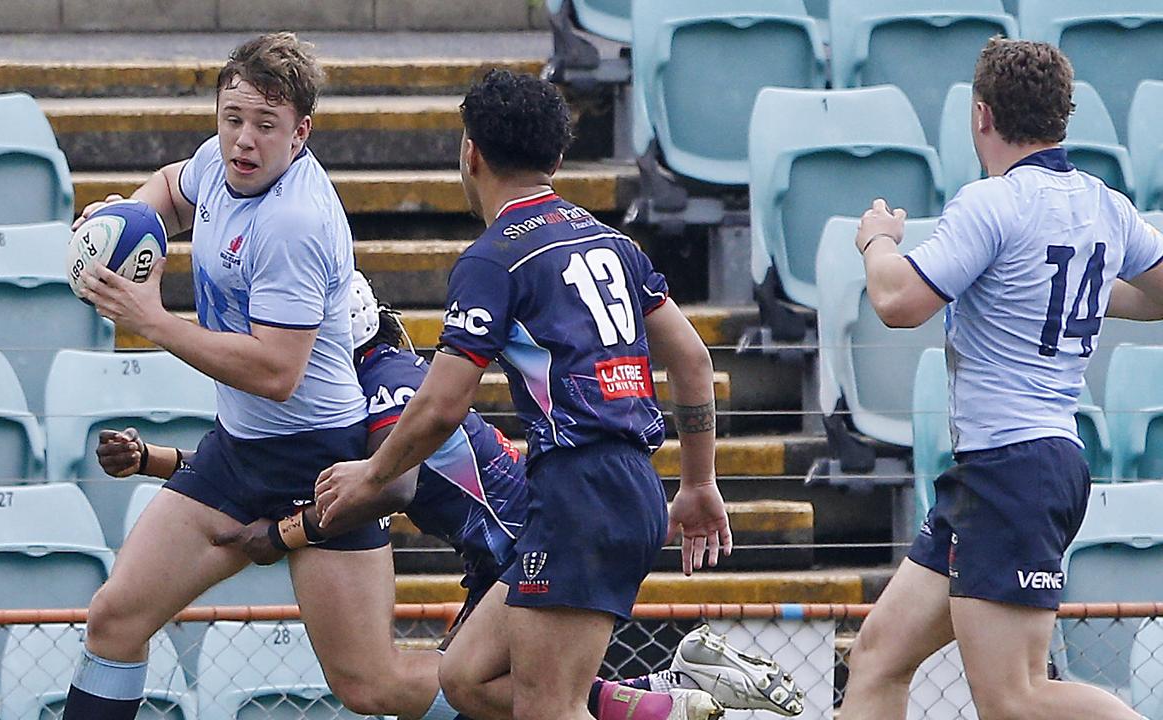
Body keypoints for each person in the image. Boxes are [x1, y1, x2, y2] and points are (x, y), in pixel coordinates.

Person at [106, 271, 806, 719]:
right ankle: (663, 689)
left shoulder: (378, 388)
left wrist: (286, 535)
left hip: (518, 548)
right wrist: (157, 461)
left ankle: (662, 693)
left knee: (480, 695)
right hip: (509, 546)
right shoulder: (376, 378)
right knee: (478, 695)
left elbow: (392, 483)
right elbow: (277, 470)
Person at [314, 69, 745, 720]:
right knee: (466, 676)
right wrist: (697, 481)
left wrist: (370, 475)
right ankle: (658, 708)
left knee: (549, 706)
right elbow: (689, 357)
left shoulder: (493, 259)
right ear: (559, 158)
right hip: (620, 486)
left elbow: (439, 406)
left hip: (579, 490)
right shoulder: (612, 242)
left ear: (471, 153)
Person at [63, 33, 444, 720]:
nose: (243, 139)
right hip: (236, 454)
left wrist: (150, 320)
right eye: (232, 118)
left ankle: (550, 696)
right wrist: (124, 215)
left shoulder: (294, 221)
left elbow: (275, 373)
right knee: (114, 620)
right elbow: (173, 192)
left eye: (265, 126)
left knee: (371, 686)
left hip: (321, 461)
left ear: (299, 134)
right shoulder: (220, 161)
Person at [838, 37, 1163, 720]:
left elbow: (898, 302)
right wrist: (1072, 287)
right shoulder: (1101, 203)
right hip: (1009, 467)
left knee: (1013, 699)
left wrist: (876, 240)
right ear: (1062, 116)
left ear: (980, 116)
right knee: (877, 657)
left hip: (1013, 466)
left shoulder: (993, 202)